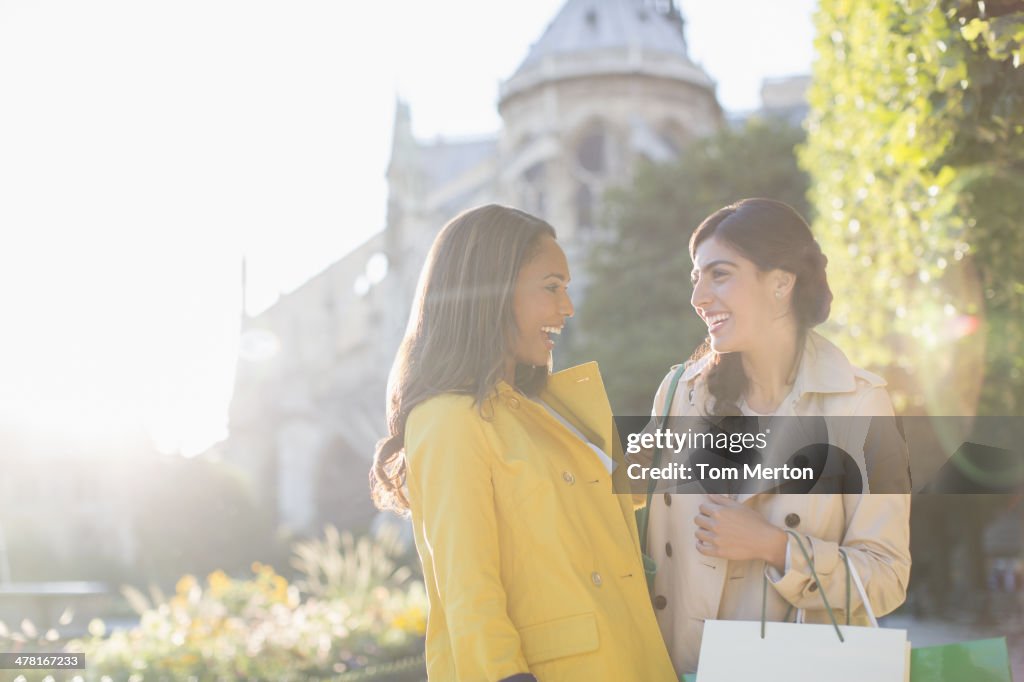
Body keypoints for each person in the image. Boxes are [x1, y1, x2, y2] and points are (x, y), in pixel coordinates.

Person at [370, 204, 676, 682]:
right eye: (551, 287)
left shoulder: (540, 409)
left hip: (631, 660)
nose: (567, 307)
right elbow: (469, 592)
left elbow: (600, 499)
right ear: (490, 291)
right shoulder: (448, 419)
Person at [642, 198, 912, 675]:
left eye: (719, 274)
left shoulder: (859, 404)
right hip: (676, 666)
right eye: (695, 277)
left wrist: (776, 547)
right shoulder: (678, 394)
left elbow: (887, 577)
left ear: (781, 283)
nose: (698, 297)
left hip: (794, 669)